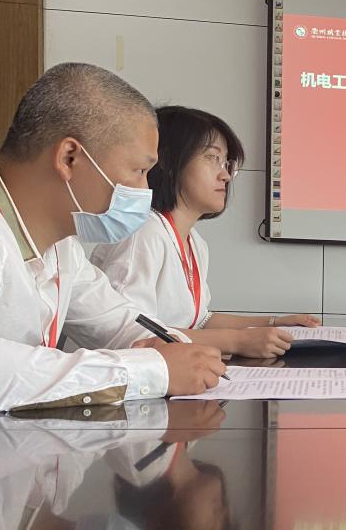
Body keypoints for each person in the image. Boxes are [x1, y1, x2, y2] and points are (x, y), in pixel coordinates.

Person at [0, 63, 225, 415]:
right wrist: (150, 370)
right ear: (69, 157)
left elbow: (118, 320)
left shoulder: (62, 248)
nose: (145, 189)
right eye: (139, 171)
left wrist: (171, 348)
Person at [90, 106, 320, 359]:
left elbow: (200, 321)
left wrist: (274, 323)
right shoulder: (143, 233)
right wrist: (237, 342)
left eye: (227, 163)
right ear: (167, 160)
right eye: (213, 158)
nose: (226, 175)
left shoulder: (195, 242)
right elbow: (131, 334)